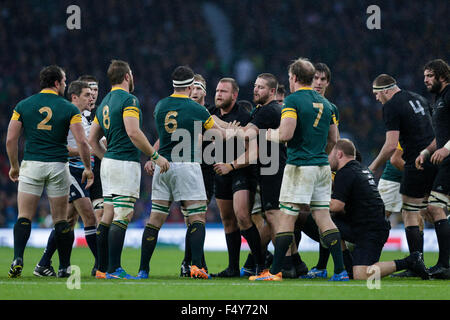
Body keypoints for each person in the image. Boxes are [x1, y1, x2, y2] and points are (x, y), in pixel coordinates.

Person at [256, 57, 345, 281]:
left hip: (299, 166)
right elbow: (335, 138)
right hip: (322, 166)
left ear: (294, 78)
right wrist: (320, 155)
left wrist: (267, 134)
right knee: (324, 218)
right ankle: (341, 271)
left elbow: (285, 134)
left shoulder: (292, 100)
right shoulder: (327, 104)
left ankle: (274, 272)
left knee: (286, 217)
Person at [136, 66, 229, 279]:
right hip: (187, 165)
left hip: (164, 165)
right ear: (189, 87)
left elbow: (165, 133)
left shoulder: (160, 105)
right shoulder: (197, 110)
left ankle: (143, 269)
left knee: (155, 219)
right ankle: (196, 266)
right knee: (197, 217)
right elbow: (217, 134)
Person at [7, 65, 94, 278]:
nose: (65, 85)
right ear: (56, 83)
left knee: (24, 216)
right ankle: (64, 267)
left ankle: (18, 258)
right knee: (61, 220)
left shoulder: (23, 105)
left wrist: (14, 165)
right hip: (57, 165)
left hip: (32, 164)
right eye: (64, 82)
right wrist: (88, 168)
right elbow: (82, 142)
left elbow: (11, 139)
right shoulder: (69, 108)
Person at [89, 60, 169, 280]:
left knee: (107, 215)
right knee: (123, 213)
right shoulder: (129, 99)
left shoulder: (104, 101)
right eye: (131, 74)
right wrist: (155, 155)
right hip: (124, 163)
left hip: (109, 164)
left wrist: (106, 158)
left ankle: (102, 268)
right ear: (127, 76)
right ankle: (114, 269)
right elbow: (133, 132)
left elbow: (91, 139)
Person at [325, 139, 429, 280]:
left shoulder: (345, 173)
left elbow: (337, 206)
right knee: (329, 225)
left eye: (330, 154)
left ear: (339, 154)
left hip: (370, 231)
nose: (328, 158)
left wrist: (317, 203)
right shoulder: (359, 168)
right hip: (365, 226)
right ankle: (347, 269)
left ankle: (410, 261)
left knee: (362, 275)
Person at [368, 74, 437, 276]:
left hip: (415, 161)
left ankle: (415, 261)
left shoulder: (391, 106)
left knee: (408, 212)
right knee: (431, 211)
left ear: (387, 90)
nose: (376, 98)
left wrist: (372, 167)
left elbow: (391, 146)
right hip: (432, 158)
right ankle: (431, 262)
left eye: (377, 93)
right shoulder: (419, 98)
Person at [33, 80, 99, 278]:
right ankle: (102, 264)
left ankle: (45, 264)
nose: (92, 97)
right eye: (87, 94)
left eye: (93, 93)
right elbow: (58, 146)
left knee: (68, 221)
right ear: (74, 97)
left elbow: (87, 143)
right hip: (69, 171)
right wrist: (84, 150)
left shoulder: (83, 117)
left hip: (81, 172)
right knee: (89, 215)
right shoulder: (66, 114)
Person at [208, 78, 260, 278]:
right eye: (218, 90)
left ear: (234, 95)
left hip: (240, 172)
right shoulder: (211, 112)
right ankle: (232, 268)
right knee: (227, 220)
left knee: (242, 216)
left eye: (224, 91)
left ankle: (260, 263)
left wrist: (231, 165)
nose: (219, 94)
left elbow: (253, 151)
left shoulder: (244, 116)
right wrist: (224, 129)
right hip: (219, 171)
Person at [299, 62, 341, 279]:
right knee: (307, 214)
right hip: (305, 165)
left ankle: (323, 264)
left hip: (318, 167)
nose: (318, 82)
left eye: (323, 79)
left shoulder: (330, 107)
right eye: (315, 78)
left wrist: (324, 160)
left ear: (328, 83)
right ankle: (294, 261)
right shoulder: (304, 103)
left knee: (320, 215)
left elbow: (336, 141)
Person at [415, 59, 450, 279]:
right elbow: (441, 136)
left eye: (429, 76)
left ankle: (444, 265)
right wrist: (426, 152)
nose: (425, 80)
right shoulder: (439, 99)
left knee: (435, 207)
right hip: (445, 160)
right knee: (431, 209)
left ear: (441, 75)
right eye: (425, 76)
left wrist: (447, 149)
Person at [179, 73, 212, 277]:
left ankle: (193, 263)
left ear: (204, 92)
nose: (195, 91)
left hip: (206, 170)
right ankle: (192, 263)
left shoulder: (208, 113)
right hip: (188, 168)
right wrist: (153, 156)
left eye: (199, 87)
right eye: (192, 87)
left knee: (198, 218)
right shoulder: (182, 113)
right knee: (192, 219)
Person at [78, 75, 105, 226]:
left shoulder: (103, 112)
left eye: (95, 90)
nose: (93, 94)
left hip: (98, 169)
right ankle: (48, 251)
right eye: (89, 90)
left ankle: (102, 250)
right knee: (68, 218)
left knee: (100, 214)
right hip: (76, 169)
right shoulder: (73, 113)